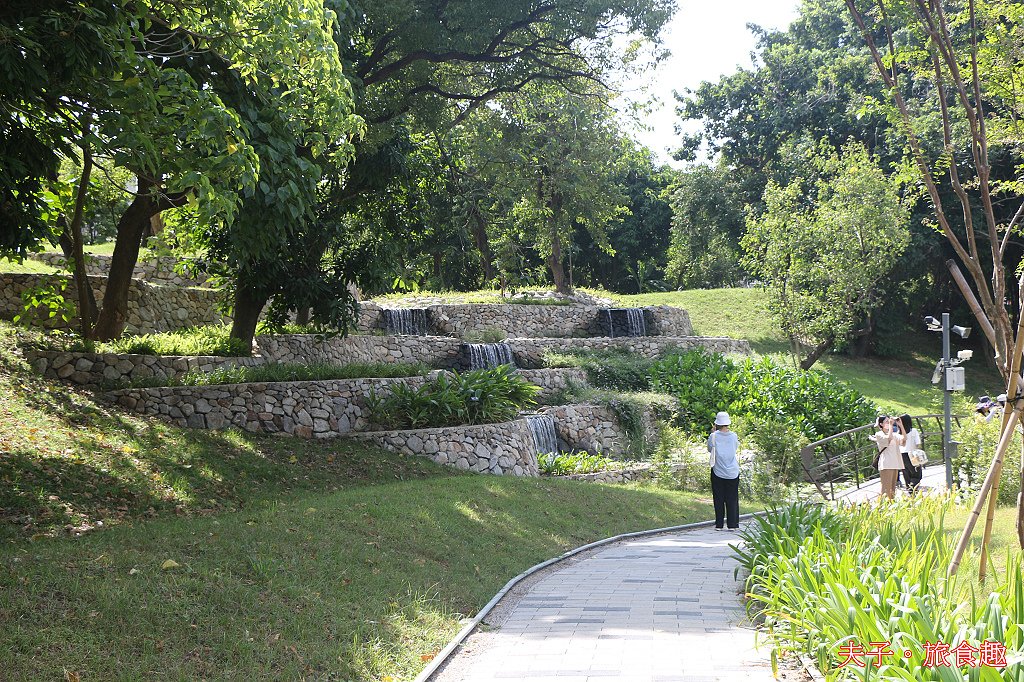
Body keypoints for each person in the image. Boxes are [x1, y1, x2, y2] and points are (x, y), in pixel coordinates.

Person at [707, 411, 741, 530]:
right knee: (732, 498)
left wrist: (713, 433)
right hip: (732, 470)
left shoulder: (714, 436)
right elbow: (735, 448)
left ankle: (719, 524)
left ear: (717, 423)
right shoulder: (734, 436)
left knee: (719, 498)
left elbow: (709, 449)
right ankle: (733, 524)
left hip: (718, 470)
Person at [872, 415, 904, 500]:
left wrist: (901, 425)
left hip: (895, 463)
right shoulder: (879, 434)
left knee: (893, 488)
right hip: (886, 463)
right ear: (881, 424)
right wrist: (890, 426)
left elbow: (904, 441)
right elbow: (888, 440)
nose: (889, 423)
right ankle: (881, 506)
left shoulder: (893, 434)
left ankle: (891, 505)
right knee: (886, 488)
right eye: (886, 422)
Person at [898, 414, 924, 493]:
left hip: (902, 455)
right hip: (913, 454)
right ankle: (912, 488)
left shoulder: (898, 432)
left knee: (906, 473)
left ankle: (909, 488)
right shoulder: (914, 431)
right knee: (917, 474)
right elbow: (918, 443)